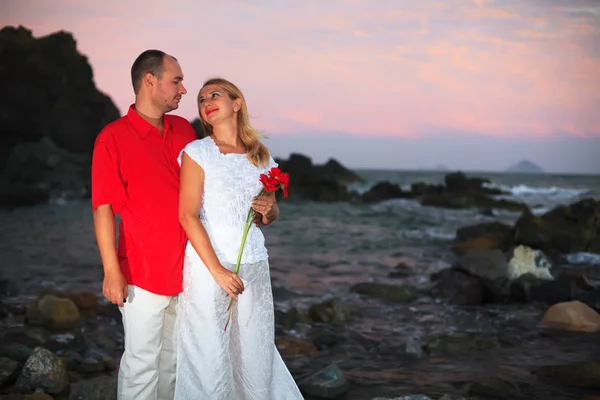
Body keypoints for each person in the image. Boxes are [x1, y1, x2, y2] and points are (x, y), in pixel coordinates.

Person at [176, 78, 303, 399]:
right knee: (207, 352)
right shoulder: (197, 152)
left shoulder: (261, 157)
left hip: (254, 265)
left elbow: (267, 217)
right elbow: (187, 215)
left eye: (214, 94)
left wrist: (270, 210)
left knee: (254, 351)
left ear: (237, 103)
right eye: (202, 99)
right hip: (209, 269)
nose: (206, 101)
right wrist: (217, 271)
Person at [91, 49, 197, 400]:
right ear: (149, 81)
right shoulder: (113, 137)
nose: (183, 89)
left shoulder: (183, 129)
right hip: (142, 272)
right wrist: (111, 271)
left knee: (175, 364)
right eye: (176, 81)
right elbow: (103, 208)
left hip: (190, 271)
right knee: (141, 366)